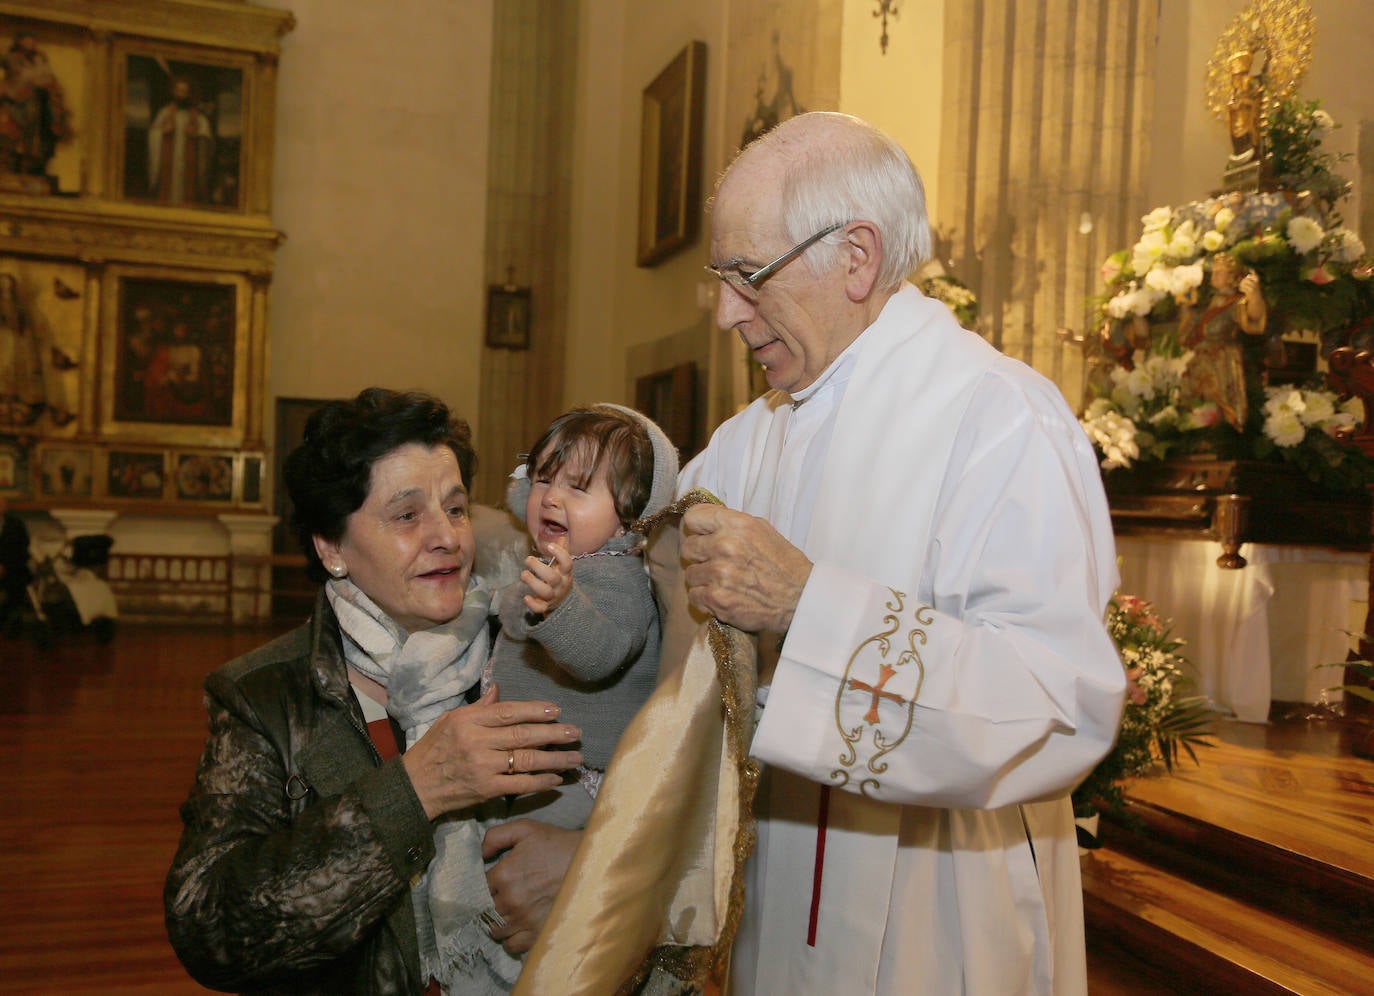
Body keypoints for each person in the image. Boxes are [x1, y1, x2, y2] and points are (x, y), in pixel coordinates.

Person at [677, 112, 1126, 993]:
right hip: (769, 894)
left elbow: (1056, 701)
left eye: (748, 275)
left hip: (938, 914)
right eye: (718, 278)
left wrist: (811, 608)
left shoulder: (1000, 419)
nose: (727, 311)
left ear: (856, 256)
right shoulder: (745, 442)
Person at [164, 387, 585, 995]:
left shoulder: (536, 649)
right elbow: (211, 928)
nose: (446, 537)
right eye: (407, 515)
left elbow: (649, 815)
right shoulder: (264, 697)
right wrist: (418, 788)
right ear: (332, 547)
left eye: (457, 508)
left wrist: (585, 866)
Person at [465, 403, 678, 988]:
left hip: (580, 774)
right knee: (495, 863)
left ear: (633, 518)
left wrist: (558, 608)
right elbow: (512, 614)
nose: (552, 497)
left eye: (579, 487)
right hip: (539, 765)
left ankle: (528, 972)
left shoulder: (617, 580)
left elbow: (599, 653)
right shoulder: (561, 567)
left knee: (534, 901)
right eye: (543, 479)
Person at [1179, 250, 1268, 430]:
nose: (1215, 275)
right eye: (1214, 271)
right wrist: (1185, 304)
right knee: (1197, 404)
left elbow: (1254, 317)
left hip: (1222, 362)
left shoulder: (1236, 303)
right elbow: (1188, 332)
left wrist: (1254, 294)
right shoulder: (1208, 304)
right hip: (1201, 362)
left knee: (1221, 405)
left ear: (1232, 276)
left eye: (1220, 272)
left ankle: (1223, 431)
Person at [0, 31, 72, 179]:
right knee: (12, 132)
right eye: (27, 40)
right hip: (15, 101)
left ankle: (29, 165)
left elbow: (48, 80)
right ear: (19, 42)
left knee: (35, 135)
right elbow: (15, 74)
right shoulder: (11, 58)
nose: (31, 44)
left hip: (34, 103)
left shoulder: (38, 60)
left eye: (33, 41)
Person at [147, 76, 214, 205]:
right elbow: (153, 134)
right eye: (178, 90)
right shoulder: (165, 113)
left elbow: (207, 140)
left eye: (184, 91)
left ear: (189, 93)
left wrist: (197, 135)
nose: (181, 94)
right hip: (169, 166)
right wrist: (162, 133)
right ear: (174, 92)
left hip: (188, 167)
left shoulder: (199, 117)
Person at [0, 493, 31, 637]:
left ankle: (12, 622)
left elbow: (22, 550)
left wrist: (6, 566)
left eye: (2, 503)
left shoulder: (16, 524)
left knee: (18, 584)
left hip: (12, 568)